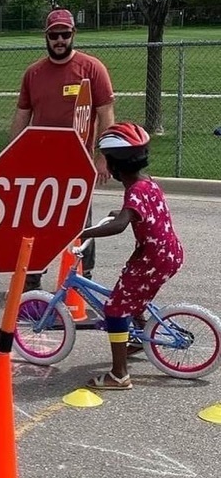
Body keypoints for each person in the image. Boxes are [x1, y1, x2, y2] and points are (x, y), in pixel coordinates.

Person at [10, 8, 116, 291]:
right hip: (40, 161)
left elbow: (106, 114)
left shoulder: (92, 69)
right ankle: (31, 279)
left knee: (81, 224)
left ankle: (82, 280)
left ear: (73, 35)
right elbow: (22, 114)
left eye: (65, 34)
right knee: (36, 222)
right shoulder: (33, 73)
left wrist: (103, 156)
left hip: (77, 162)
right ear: (46, 37)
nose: (59, 40)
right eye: (54, 35)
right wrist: (13, 155)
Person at [74, 122, 183, 390]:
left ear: (112, 166)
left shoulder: (134, 191)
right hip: (169, 253)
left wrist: (83, 232)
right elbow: (136, 212)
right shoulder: (146, 183)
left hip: (152, 259)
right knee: (132, 293)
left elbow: (121, 225)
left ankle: (119, 374)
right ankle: (139, 336)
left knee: (115, 309)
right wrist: (120, 212)